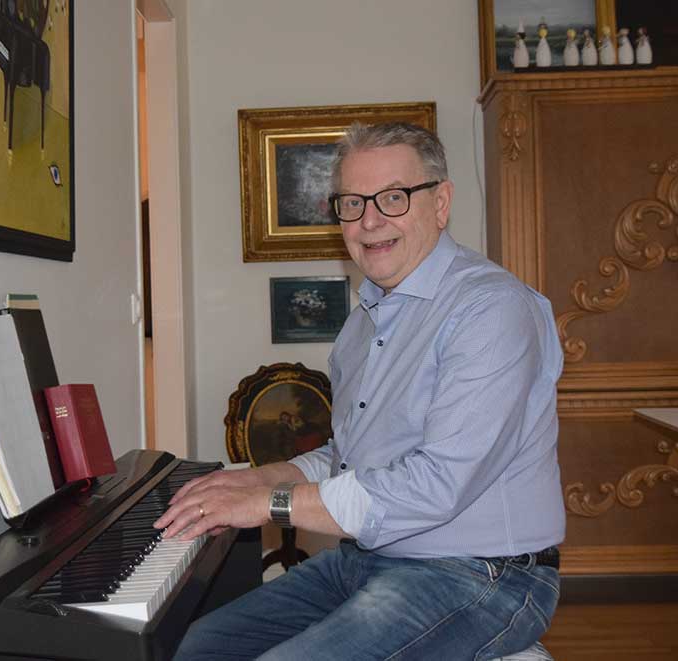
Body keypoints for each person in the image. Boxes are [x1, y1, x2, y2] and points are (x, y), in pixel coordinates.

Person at [154, 122, 565, 660]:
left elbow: (437, 484)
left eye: (393, 197)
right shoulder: (363, 322)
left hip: (482, 575)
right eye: (352, 203)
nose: (370, 221)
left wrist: (271, 504)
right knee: (195, 648)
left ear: (441, 203)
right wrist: (259, 478)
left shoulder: (491, 309)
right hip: (368, 559)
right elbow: (350, 459)